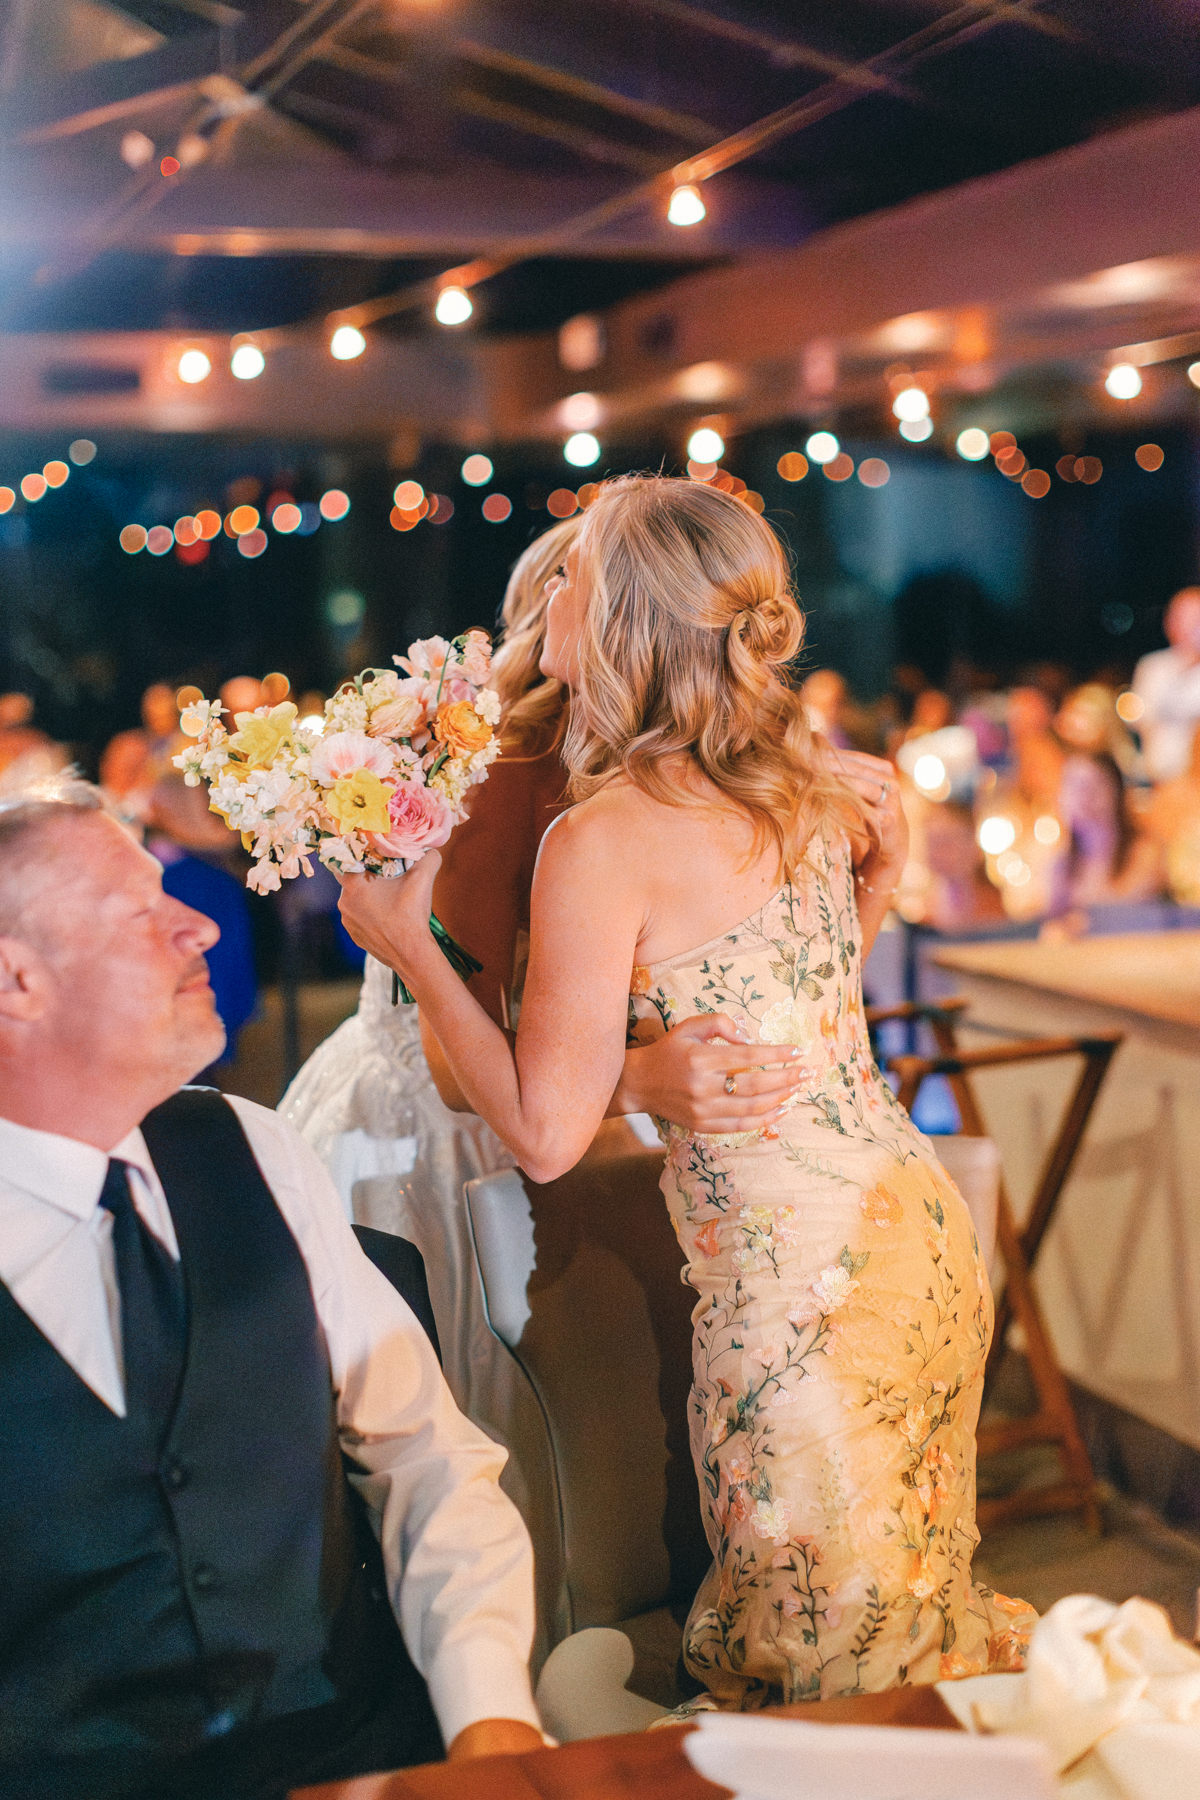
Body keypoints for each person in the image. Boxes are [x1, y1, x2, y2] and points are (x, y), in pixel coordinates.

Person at [339, 475, 1035, 1709]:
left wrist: (408, 950)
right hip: (917, 1236)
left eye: (573, 575)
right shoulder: (799, 783)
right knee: (907, 1623)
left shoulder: (602, 839)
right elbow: (807, 1014)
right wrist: (877, 888)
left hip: (799, 1293)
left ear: (614, 617)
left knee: (826, 1669)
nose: (546, 598)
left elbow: (544, 1136)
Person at [0, 778, 545, 1799]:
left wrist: (490, 1716)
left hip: (361, 1757)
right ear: (16, 981)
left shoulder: (252, 1149)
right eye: (140, 911)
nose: (202, 927)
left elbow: (425, 1455)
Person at [282, 518, 803, 1416]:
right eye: (562, 583)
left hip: (585, 1123)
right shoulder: (507, 772)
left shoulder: (677, 781)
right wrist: (637, 1080)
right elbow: (451, 1072)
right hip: (447, 1142)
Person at [1047, 752, 1164, 916]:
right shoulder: (1059, 865)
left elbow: (1130, 914)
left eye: (1091, 785)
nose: (1082, 797)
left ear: (1116, 791)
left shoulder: (1145, 854)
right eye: (1073, 786)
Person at [1132, 587, 1200, 782]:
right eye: (1182, 618)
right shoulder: (1152, 667)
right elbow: (1140, 720)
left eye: (1196, 619)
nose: (1189, 627)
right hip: (1156, 778)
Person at [100, 682, 184, 805]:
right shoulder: (128, 745)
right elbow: (113, 787)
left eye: (166, 714)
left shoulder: (186, 747)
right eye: (155, 714)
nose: (160, 720)